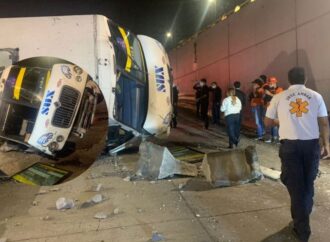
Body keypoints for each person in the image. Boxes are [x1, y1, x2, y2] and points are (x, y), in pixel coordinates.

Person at [265, 67, 329, 242]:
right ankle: (304, 212)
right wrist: (327, 144)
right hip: (311, 146)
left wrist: (282, 120)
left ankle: (302, 229)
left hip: (290, 147)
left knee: (295, 186)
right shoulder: (316, 96)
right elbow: (324, 122)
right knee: (308, 183)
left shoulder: (279, 97)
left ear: (288, 80)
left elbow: (267, 122)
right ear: (305, 78)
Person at [263, 77, 284, 143]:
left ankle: (275, 138)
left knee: (275, 124)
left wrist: (269, 94)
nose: (269, 85)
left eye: (270, 83)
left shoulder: (279, 89)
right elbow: (264, 98)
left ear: (274, 83)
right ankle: (269, 138)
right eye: (269, 83)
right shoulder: (267, 89)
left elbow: (279, 98)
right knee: (268, 124)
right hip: (267, 108)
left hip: (276, 110)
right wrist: (264, 95)